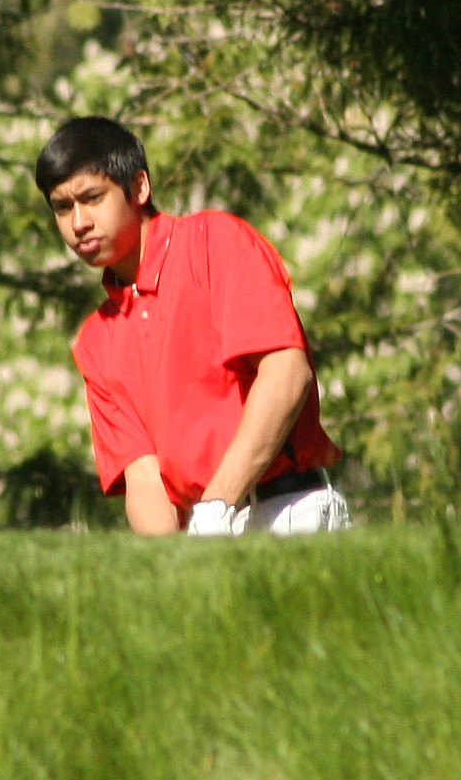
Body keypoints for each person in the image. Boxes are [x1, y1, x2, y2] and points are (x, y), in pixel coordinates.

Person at [35, 115, 351, 536]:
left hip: (289, 512)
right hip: (203, 534)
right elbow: (144, 479)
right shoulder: (96, 339)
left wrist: (217, 505)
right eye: (62, 207)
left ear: (140, 188)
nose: (78, 223)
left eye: (92, 198)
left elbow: (286, 373)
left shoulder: (214, 242)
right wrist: (171, 563)